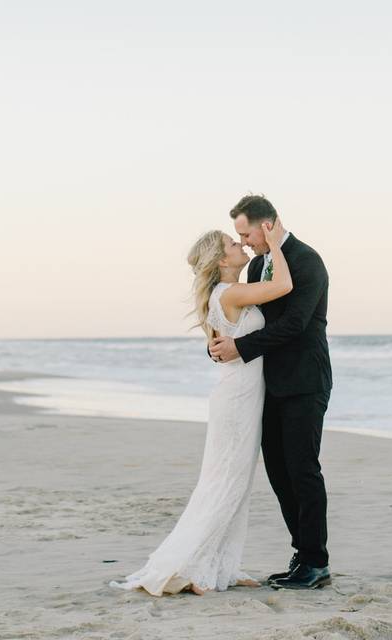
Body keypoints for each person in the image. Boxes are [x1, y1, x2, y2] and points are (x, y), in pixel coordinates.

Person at [108, 218, 292, 596]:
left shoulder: (223, 294)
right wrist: (275, 244)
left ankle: (222, 566)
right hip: (238, 401)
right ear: (221, 261)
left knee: (234, 483)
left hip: (239, 396)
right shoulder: (230, 292)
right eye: (232, 244)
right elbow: (284, 286)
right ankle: (189, 565)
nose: (240, 245)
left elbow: (220, 348)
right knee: (224, 483)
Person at [208, 194, 333, 590]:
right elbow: (246, 317)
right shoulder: (261, 264)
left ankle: (316, 562)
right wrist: (220, 346)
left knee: (303, 470)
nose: (243, 242)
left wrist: (241, 350)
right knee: (280, 473)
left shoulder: (306, 260)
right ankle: (301, 555)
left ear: (268, 225)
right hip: (268, 385)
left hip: (304, 382)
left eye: (246, 233)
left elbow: (295, 323)